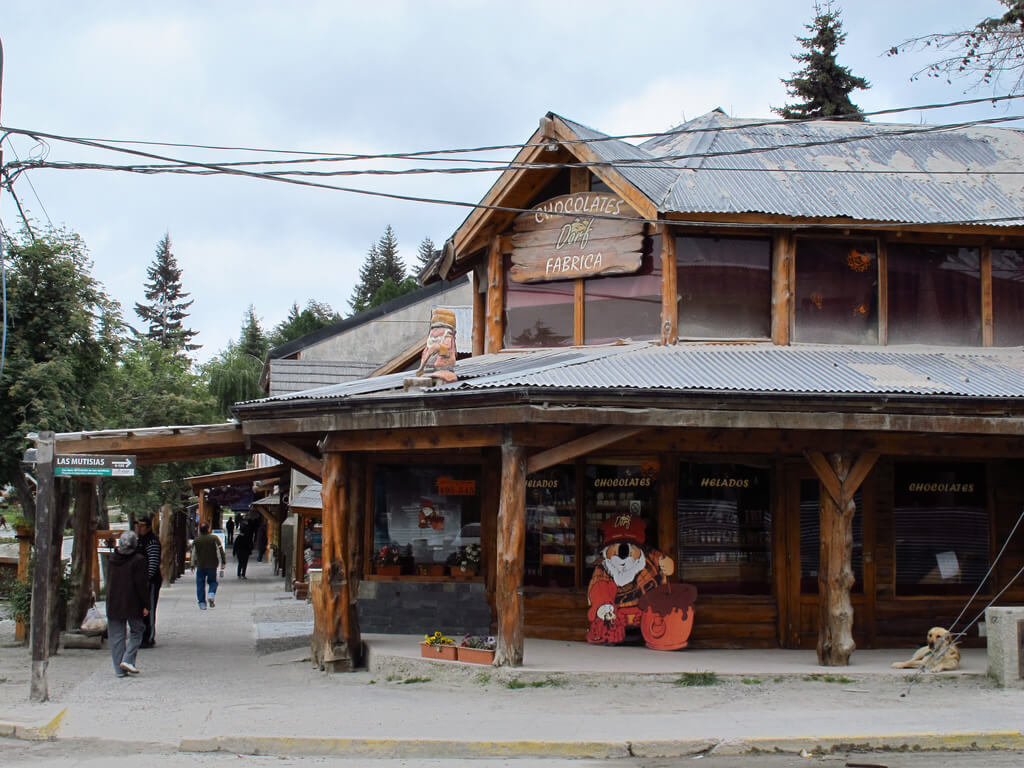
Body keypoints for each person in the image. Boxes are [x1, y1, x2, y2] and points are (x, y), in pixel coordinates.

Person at [106, 530, 149, 678]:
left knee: (116, 636)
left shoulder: (112, 559)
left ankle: (119, 669)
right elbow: (142, 585)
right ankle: (127, 659)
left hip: (114, 601)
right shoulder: (139, 560)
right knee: (138, 629)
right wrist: (146, 604)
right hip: (133, 602)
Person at [135, 515, 162, 648]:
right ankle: (141, 635)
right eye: (138, 526)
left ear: (149, 527)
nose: (139, 528)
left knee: (149, 608)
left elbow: (153, 562)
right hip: (139, 581)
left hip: (150, 581)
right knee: (139, 609)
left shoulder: (152, 542)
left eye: (142, 526)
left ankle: (148, 637)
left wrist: (147, 579)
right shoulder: (139, 540)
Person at [190, 523, 226, 609]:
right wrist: (223, 562)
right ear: (208, 529)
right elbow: (220, 550)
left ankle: (202, 603)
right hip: (212, 564)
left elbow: (194, 553)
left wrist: (192, 564)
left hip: (201, 565)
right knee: (213, 581)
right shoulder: (214, 538)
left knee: (200, 584)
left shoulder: (197, 540)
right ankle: (211, 593)